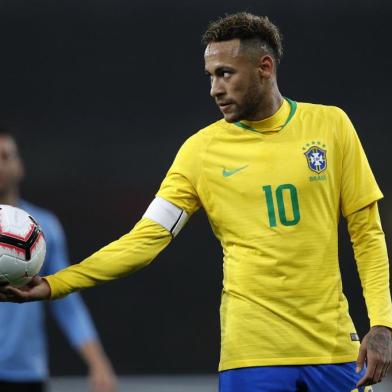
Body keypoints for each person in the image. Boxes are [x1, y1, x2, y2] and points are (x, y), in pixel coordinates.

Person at [1, 12, 391, 392]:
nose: (214, 89)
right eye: (210, 76)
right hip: (252, 355)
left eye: (225, 74)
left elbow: (367, 235)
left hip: (335, 348)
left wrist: (383, 324)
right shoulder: (200, 152)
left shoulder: (331, 126)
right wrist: (56, 283)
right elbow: (143, 242)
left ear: (265, 67)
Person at [0, 131, 117, 392]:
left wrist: (97, 362)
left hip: (25, 373)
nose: (0, 165)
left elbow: (66, 300)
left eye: (5, 156)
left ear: (20, 166)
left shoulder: (43, 229)